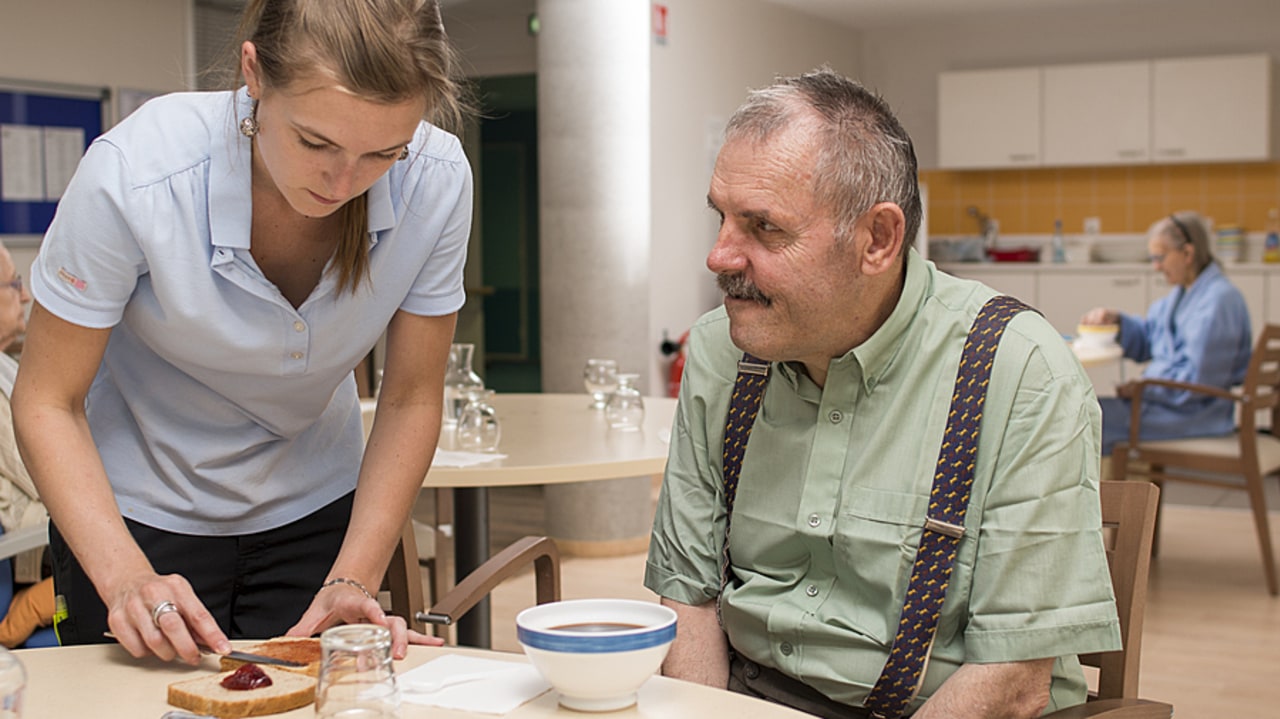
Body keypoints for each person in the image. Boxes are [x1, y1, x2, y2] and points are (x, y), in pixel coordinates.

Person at [645, 68, 1121, 718]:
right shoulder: (718, 353)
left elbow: (1013, 680)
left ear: (878, 239)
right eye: (720, 217)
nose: (720, 256)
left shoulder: (1018, 371)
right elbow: (691, 597)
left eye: (763, 228)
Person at [11, 0, 471, 664]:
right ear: (254, 74)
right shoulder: (139, 173)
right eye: (316, 142)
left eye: (383, 154)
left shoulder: (437, 178)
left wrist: (354, 575)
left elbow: (410, 398)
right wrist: (126, 577)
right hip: (134, 512)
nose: (343, 182)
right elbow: (47, 399)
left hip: (317, 505)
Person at [1080, 211, 1252, 457]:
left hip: (1194, 414)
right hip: (1171, 405)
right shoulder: (1183, 295)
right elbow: (1152, 338)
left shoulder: (1218, 302)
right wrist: (1116, 321)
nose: (1156, 266)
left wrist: (1142, 390)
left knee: (1084, 417)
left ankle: (1105, 494)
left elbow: (1198, 383)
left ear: (1188, 254)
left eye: (1160, 257)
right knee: (1083, 411)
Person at [0, 240, 56, 648]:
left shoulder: (7, 363)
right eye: (14, 283)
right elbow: (51, 478)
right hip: (31, 552)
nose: (25, 294)